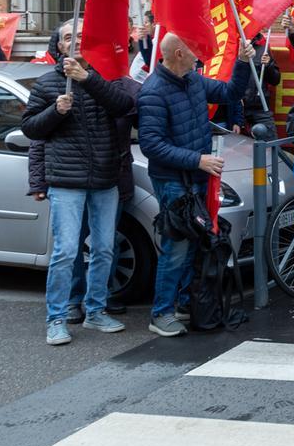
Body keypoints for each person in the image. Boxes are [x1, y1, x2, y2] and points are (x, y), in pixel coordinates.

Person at [21, 20, 135, 345]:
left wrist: (89, 79)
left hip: (104, 177)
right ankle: (56, 319)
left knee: (103, 248)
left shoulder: (104, 77)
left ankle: (96, 311)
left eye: (82, 36)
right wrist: (55, 112)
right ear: (58, 46)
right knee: (66, 251)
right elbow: (31, 129)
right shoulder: (45, 84)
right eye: (69, 37)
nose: (76, 41)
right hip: (66, 181)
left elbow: (124, 106)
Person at [137, 32, 252, 336]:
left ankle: (187, 303)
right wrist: (197, 160)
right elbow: (151, 144)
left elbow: (230, 92)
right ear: (177, 53)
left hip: (195, 178)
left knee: (194, 246)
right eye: (194, 48)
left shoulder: (194, 81)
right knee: (176, 246)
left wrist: (241, 62)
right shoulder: (153, 91)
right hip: (173, 180)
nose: (199, 53)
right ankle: (161, 313)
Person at [228, 34, 281, 134]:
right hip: (232, 109)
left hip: (259, 108)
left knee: (270, 144)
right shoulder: (228, 49)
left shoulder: (263, 50)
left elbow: (275, 80)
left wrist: (269, 65)